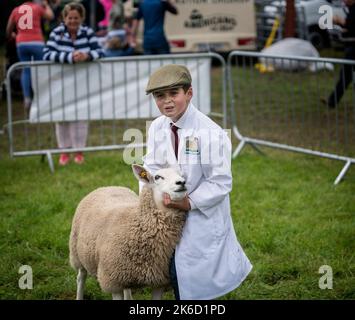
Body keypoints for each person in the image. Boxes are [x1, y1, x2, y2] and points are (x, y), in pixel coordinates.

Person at [141, 64, 252, 300]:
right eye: (160, 96)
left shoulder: (210, 133)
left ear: (189, 93)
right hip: (167, 214)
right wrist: (150, 199)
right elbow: (151, 166)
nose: (167, 102)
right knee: (169, 271)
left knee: (188, 278)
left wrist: (189, 202)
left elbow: (220, 182)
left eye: (174, 94)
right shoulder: (157, 128)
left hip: (200, 215)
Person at [43, 2, 105, 166]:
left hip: (82, 84)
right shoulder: (57, 33)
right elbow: (47, 54)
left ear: (81, 18)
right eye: (70, 18)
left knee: (80, 119)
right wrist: (69, 57)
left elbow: (100, 51)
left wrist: (86, 55)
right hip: (60, 85)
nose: (73, 21)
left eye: (76, 18)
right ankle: (63, 152)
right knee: (62, 118)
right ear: (64, 18)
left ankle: (79, 153)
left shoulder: (88, 32)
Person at [6, 0, 54, 110]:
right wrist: (45, 5)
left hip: (21, 43)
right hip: (37, 42)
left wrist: (14, 35)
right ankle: (42, 96)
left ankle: (27, 98)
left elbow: (8, 30)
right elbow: (51, 16)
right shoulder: (37, 8)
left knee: (26, 70)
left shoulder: (16, 10)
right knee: (41, 69)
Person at [324, 0, 355, 108]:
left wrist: (340, 21)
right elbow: (350, 28)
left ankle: (332, 101)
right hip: (351, 48)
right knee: (345, 76)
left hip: (353, 50)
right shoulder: (350, 9)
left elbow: (351, 26)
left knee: (346, 76)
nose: (343, 1)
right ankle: (332, 101)